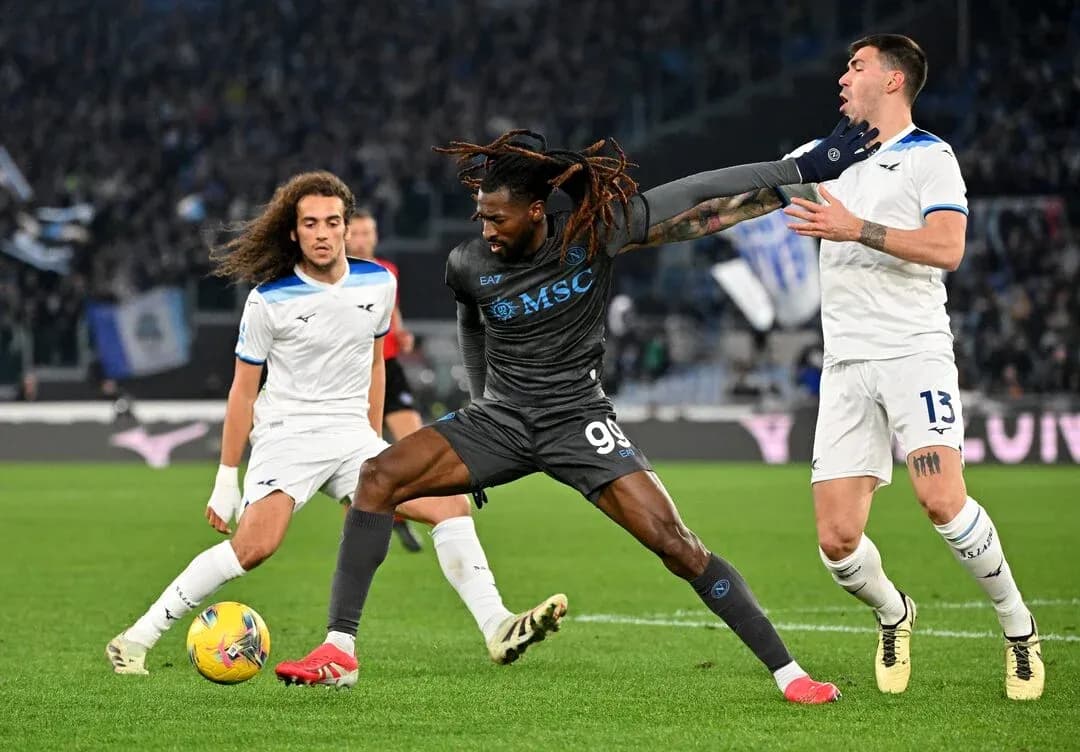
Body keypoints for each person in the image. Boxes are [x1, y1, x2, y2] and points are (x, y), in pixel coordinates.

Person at [276, 123, 880, 702]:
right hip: (501, 422)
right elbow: (471, 321)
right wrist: (482, 399)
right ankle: (339, 649)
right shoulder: (468, 264)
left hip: (576, 420)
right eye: (480, 215)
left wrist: (801, 168)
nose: (484, 228)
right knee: (376, 479)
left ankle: (790, 674)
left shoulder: (595, 232)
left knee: (678, 545)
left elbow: (698, 189)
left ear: (536, 211)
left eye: (496, 216)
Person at [106, 171, 562, 682]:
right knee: (254, 548)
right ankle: (135, 639)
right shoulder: (267, 300)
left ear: (348, 227)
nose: (322, 233)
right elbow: (242, 390)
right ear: (294, 233)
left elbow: (374, 366)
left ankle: (497, 625)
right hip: (287, 436)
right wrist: (225, 477)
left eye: (332, 222)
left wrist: (375, 448)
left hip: (352, 438)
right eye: (310, 224)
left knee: (449, 504)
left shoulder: (378, 283)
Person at [780, 34, 1044, 700]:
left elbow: (949, 247)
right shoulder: (818, 160)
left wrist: (855, 228)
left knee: (941, 501)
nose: (843, 75)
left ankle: (1018, 627)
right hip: (845, 365)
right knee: (837, 541)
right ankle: (895, 612)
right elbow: (739, 201)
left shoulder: (930, 157)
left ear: (893, 80)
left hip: (912, 352)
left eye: (856, 65)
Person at [346, 207, 424, 553]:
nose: (362, 240)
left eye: (367, 233)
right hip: (354, 371)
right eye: (356, 233)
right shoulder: (338, 276)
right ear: (345, 236)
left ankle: (401, 514)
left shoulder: (387, 271)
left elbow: (393, 313)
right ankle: (361, 532)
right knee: (358, 456)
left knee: (416, 445)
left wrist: (402, 333)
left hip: (389, 367)